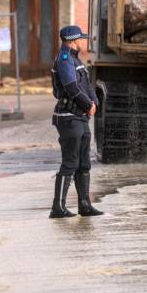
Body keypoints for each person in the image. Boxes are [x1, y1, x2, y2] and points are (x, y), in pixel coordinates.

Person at [49, 25, 103, 218]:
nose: (82, 42)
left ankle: (85, 205)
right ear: (73, 41)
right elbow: (72, 87)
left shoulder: (74, 59)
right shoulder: (64, 60)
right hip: (69, 118)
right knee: (70, 162)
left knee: (83, 163)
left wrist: (94, 102)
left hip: (80, 118)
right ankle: (58, 207)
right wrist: (88, 104)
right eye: (80, 39)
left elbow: (86, 84)